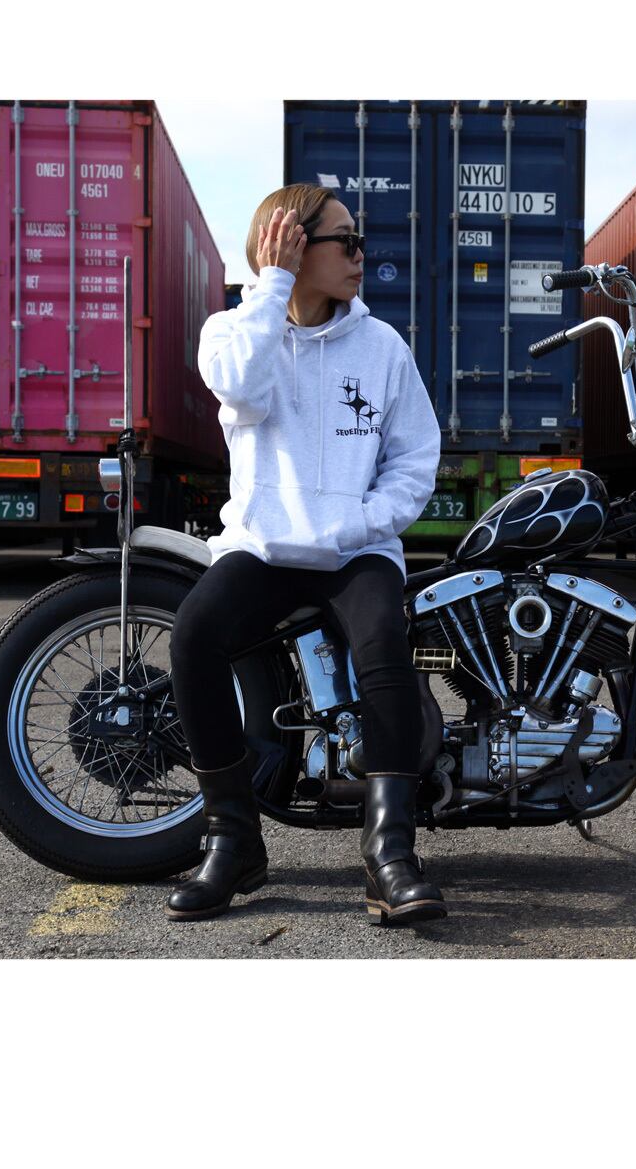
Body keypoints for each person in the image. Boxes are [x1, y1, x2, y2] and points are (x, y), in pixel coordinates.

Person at [165, 183, 446, 926]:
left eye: (360, 240)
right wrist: (271, 288)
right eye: (345, 242)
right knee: (194, 635)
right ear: (289, 246)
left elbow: (415, 457)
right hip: (264, 548)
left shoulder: (382, 347)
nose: (361, 255)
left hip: (356, 549)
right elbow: (241, 389)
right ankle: (233, 843)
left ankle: (389, 855)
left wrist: (362, 523)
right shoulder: (232, 332)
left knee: (383, 642)